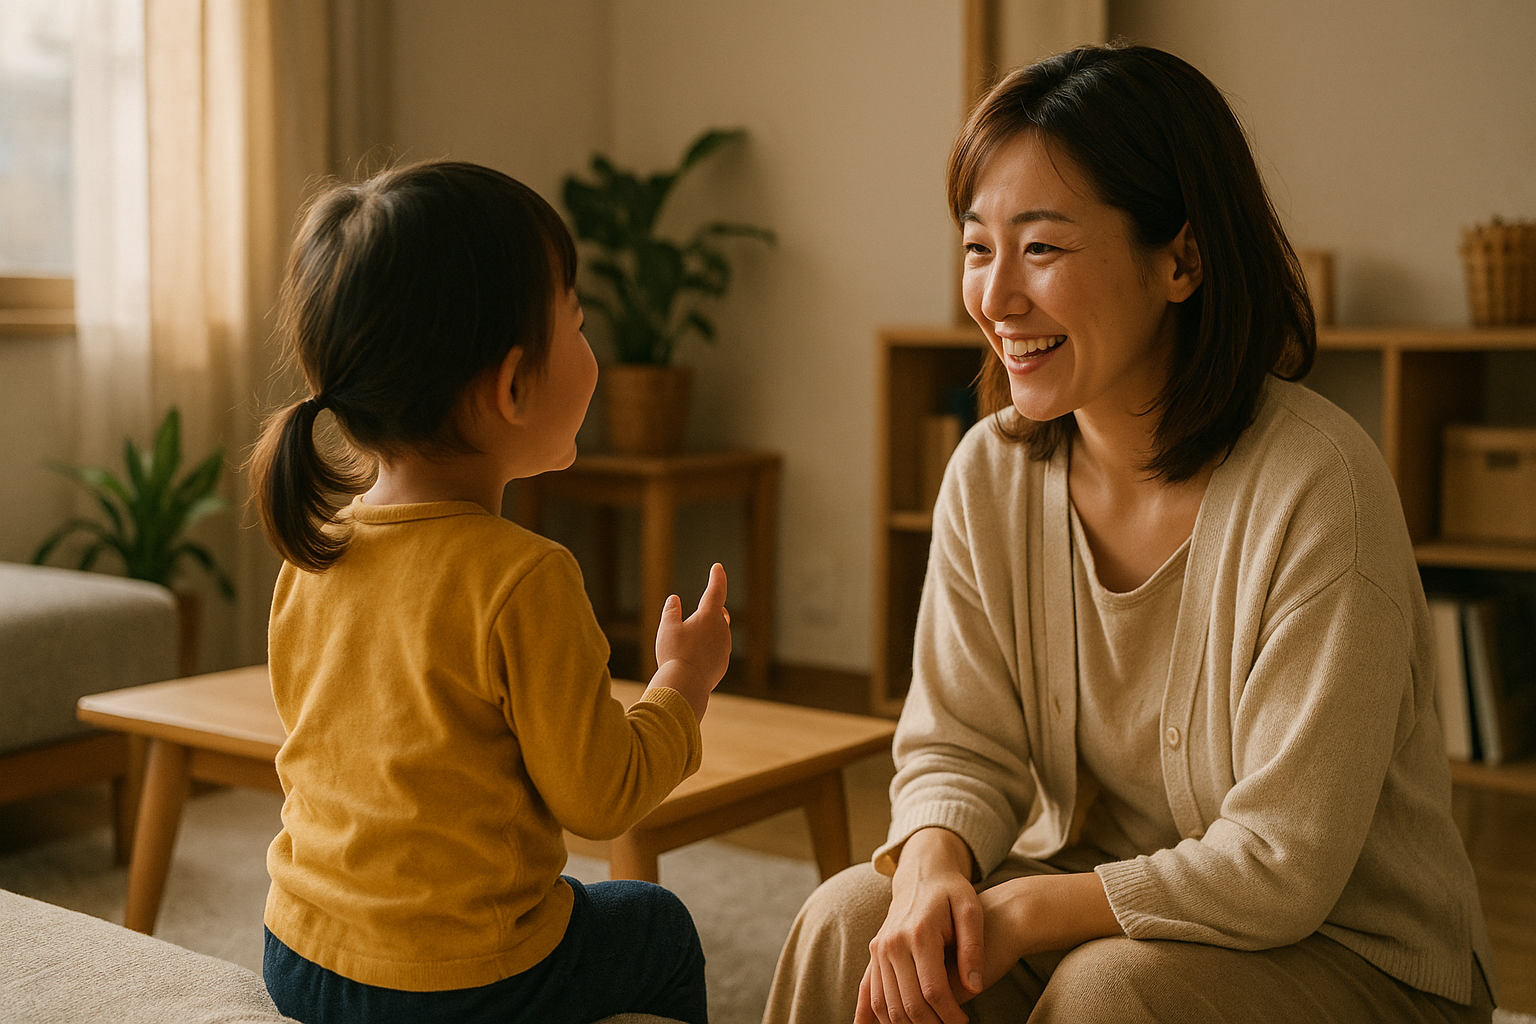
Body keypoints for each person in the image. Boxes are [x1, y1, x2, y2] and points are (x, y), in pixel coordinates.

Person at [764, 44, 1496, 1024]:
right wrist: (932, 866)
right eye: (979, 246)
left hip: (1356, 956)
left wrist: (1029, 906)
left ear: (1181, 259)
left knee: (1104, 992)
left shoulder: (1320, 486)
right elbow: (957, 745)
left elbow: (1284, 861)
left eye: (1043, 247)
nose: (996, 295)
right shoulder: (991, 471)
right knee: (846, 920)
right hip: (1113, 905)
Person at [249, 160, 732, 1024]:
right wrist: (681, 688)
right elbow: (600, 797)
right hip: (457, 984)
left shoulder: (313, 556)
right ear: (513, 387)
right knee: (656, 923)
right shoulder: (525, 578)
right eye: (578, 325)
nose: (592, 349)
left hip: (300, 952)